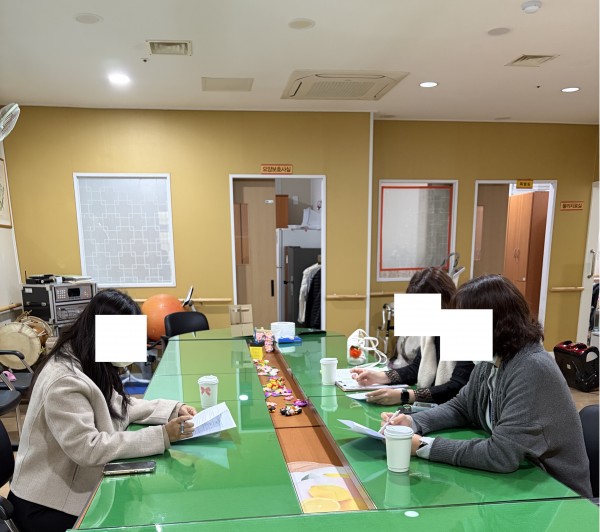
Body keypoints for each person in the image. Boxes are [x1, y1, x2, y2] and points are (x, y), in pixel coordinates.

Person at [380, 274, 592, 497]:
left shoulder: (531, 368)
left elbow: (501, 455)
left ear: (495, 325)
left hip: (559, 497)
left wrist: (423, 446)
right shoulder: (490, 361)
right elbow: (462, 406)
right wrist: (413, 422)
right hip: (522, 486)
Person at [8, 289, 198, 532]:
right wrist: (162, 435)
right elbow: (88, 448)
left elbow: (119, 405)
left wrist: (172, 409)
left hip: (73, 487)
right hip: (47, 504)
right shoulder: (64, 380)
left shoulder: (85, 360)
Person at [353, 267, 474, 406]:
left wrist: (405, 396)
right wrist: (379, 376)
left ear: (444, 301)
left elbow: (458, 387)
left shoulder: (467, 329)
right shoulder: (431, 331)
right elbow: (416, 368)